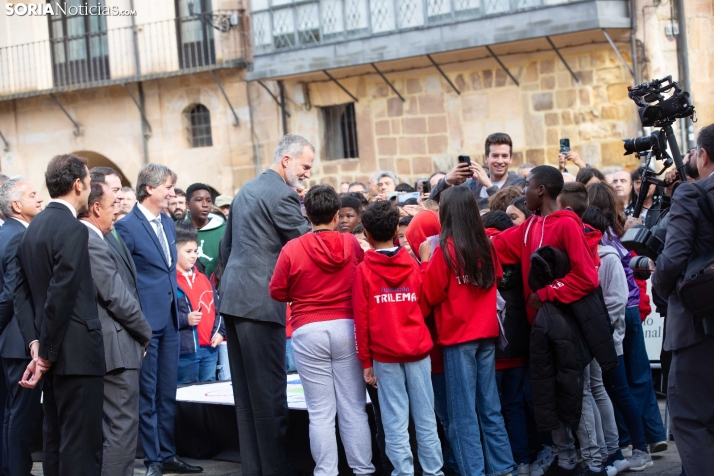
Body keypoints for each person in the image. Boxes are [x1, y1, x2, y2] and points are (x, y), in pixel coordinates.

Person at [491, 165, 601, 475]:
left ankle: (592, 461)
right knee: (548, 394)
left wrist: (548, 293)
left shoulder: (567, 225)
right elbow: (496, 246)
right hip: (539, 328)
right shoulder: (529, 227)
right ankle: (566, 460)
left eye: (527, 185)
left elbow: (587, 276)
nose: (523, 190)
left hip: (568, 325)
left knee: (575, 392)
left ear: (541, 190)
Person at [220, 134, 313, 476]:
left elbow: (226, 250)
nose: (306, 173)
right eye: (305, 166)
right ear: (286, 160)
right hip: (259, 302)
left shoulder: (247, 189)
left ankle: (255, 470)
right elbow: (307, 244)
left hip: (234, 298)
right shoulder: (281, 195)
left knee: (247, 400)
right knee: (270, 396)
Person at [269, 185, 374, 476]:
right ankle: (363, 469)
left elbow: (277, 291)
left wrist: (299, 293)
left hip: (308, 329)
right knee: (353, 408)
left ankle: (326, 472)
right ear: (336, 213)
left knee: (320, 413)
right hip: (346, 326)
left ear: (307, 213)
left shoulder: (293, 247)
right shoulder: (351, 244)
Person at [13, 155, 105, 475]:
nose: (90, 189)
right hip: (75, 355)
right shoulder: (72, 228)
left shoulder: (33, 226)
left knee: (56, 444)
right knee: (82, 446)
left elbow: (20, 294)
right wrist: (46, 353)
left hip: (51, 353)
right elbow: (61, 292)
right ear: (78, 185)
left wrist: (36, 344)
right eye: (90, 183)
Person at [420, 186, 514, 476]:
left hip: (459, 339)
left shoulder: (444, 252)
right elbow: (496, 279)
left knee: (463, 414)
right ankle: (503, 469)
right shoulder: (485, 245)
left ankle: (474, 471)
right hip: (486, 334)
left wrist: (424, 260)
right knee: (490, 409)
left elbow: (428, 297)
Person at [115, 164, 200, 476]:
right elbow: (125, 280)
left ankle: (168, 454)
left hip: (170, 322)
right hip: (145, 325)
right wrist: (136, 325)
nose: (172, 193)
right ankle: (152, 460)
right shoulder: (127, 226)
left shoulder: (166, 220)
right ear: (149, 189)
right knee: (147, 394)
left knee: (167, 392)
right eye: (167, 186)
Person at [354, 200, 442, 476]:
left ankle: (403, 473)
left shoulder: (363, 271)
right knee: (426, 418)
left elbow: (362, 321)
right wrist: (426, 263)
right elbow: (425, 302)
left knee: (394, 421)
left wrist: (365, 361)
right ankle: (433, 472)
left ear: (366, 234)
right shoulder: (413, 265)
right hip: (417, 351)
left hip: (385, 356)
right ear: (396, 230)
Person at [652, 123, 714, 475]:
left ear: (703, 155)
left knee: (689, 421)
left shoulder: (690, 195)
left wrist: (662, 287)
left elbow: (672, 260)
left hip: (698, 324)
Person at [587, 182, 667, 453]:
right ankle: (654, 434)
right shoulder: (624, 230)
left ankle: (630, 440)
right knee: (641, 376)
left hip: (616, 311)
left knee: (616, 382)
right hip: (632, 308)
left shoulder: (599, 237)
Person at [80, 181, 153, 476]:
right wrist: (144, 332)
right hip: (116, 346)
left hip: (109, 344)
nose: (117, 212)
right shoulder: (90, 239)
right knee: (120, 430)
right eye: (113, 206)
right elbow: (116, 295)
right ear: (96, 207)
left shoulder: (92, 237)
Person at [581, 206, 650, 473]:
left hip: (610, 340)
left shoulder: (608, 257)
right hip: (597, 339)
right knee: (608, 391)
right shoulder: (591, 256)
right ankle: (619, 449)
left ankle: (641, 449)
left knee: (620, 391)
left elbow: (616, 302)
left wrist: (603, 333)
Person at [481, 211, 533, 476]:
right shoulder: (520, 250)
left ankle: (500, 464)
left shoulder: (479, 251)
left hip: (491, 345)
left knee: (491, 409)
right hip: (519, 343)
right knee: (515, 405)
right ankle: (523, 460)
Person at [0, 177, 43, 476]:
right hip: (17, 339)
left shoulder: (8, 232)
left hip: (11, 339)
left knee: (12, 413)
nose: (39, 198)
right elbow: (11, 293)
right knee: (20, 415)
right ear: (16, 205)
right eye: (32, 194)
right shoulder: (16, 236)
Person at [175, 222, 225, 384]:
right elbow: (164, 315)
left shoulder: (204, 279)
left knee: (208, 394)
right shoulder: (170, 281)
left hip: (210, 350)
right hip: (186, 352)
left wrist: (219, 333)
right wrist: (185, 319)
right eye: (188, 251)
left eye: (195, 251)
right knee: (186, 393)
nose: (193, 256)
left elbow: (219, 310)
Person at [430, 132, 523, 202]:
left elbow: (509, 210)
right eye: (495, 156)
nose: (500, 161)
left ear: (511, 159)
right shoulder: (473, 185)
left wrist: (489, 185)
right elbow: (432, 202)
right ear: (486, 158)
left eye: (504, 156)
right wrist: (446, 180)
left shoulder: (519, 184)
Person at [186, 183, 225, 277]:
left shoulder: (223, 230)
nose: (205, 205)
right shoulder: (180, 230)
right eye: (199, 200)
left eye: (208, 201)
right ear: (188, 205)